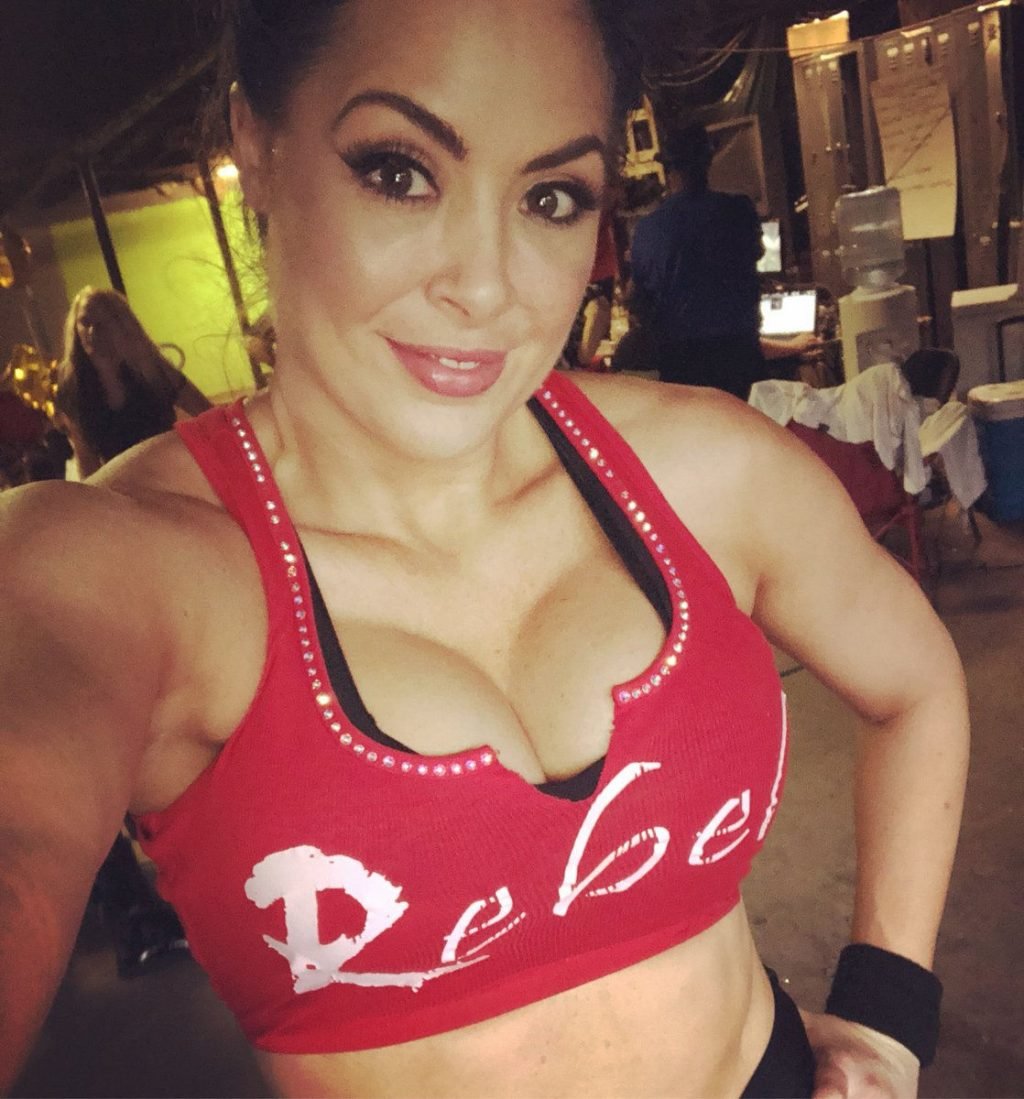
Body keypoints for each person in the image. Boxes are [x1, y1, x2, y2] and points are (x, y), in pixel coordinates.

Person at [0, 2, 969, 1098]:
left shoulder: (706, 470)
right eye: (400, 173)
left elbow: (915, 684)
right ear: (256, 147)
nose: (485, 285)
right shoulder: (115, 567)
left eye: (550, 198)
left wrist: (888, 1017)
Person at [629, 122, 768, 399]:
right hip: (739, 355)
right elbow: (757, 253)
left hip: (682, 363)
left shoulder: (647, 229)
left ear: (668, 171)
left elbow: (639, 299)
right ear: (707, 163)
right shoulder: (738, 211)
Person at [53, 286, 211, 477]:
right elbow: (87, 460)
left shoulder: (152, 369)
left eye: (103, 323)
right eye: (85, 322)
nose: (92, 331)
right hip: (124, 484)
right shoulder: (74, 387)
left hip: (173, 472)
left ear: (121, 325)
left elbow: (208, 414)